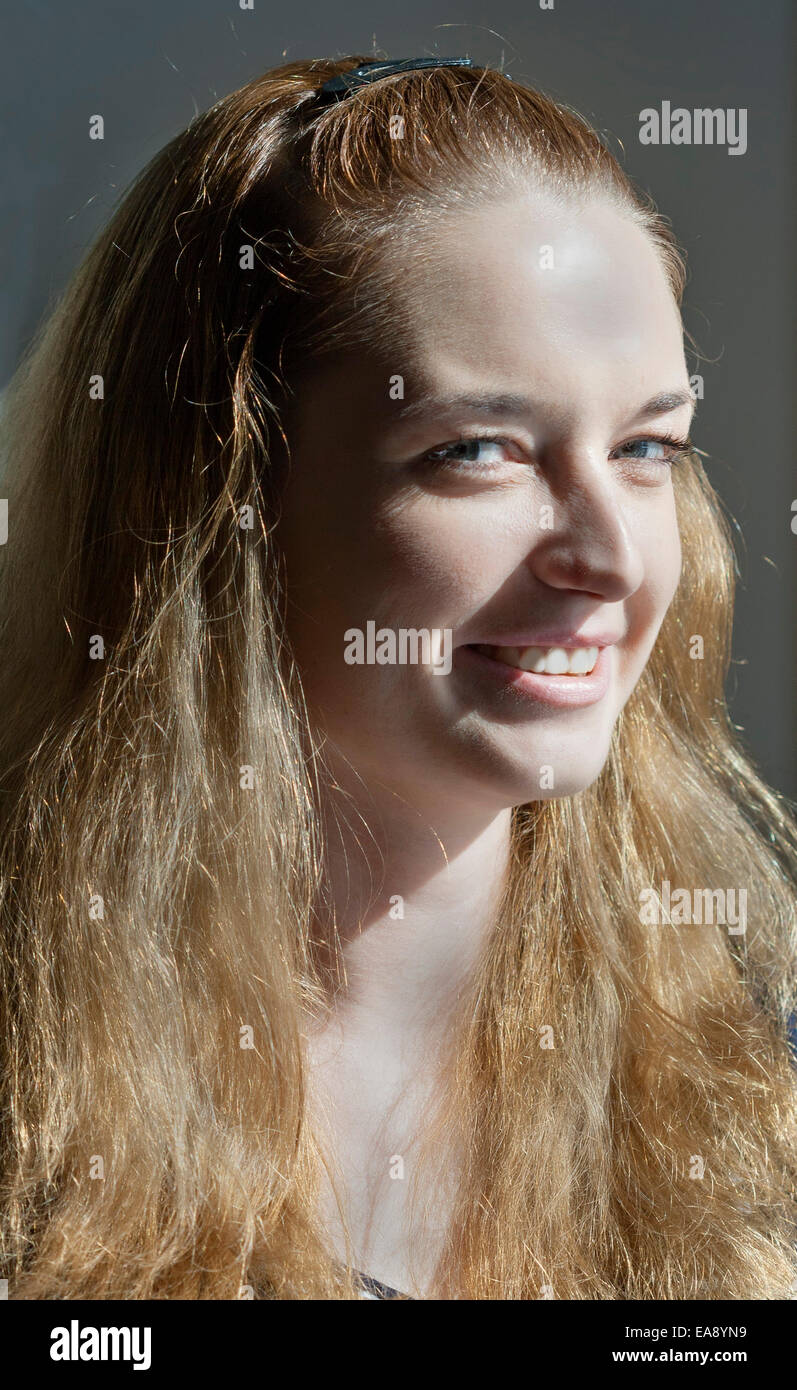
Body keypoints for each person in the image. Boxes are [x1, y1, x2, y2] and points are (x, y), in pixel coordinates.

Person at [0, 54, 795, 1302]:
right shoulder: (30, 1112)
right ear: (224, 498)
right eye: (475, 450)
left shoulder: (759, 1086)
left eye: (646, 446)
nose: (608, 557)